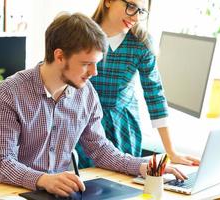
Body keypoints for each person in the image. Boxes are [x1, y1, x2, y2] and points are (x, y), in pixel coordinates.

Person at [0, 13, 187, 197]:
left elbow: (100, 149)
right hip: (12, 192)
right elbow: (0, 163)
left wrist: (144, 166)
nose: (94, 72)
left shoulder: (86, 93)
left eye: (96, 63)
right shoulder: (9, 93)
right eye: (86, 64)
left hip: (58, 193)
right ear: (59, 56)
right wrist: (43, 180)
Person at [76, 0, 200, 168]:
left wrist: (171, 152)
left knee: (122, 185)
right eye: (131, 6)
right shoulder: (79, 33)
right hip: (82, 122)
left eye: (141, 11)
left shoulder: (141, 43)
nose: (135, 16)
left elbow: (154, 95)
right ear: (108, 2)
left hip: (123, 126)